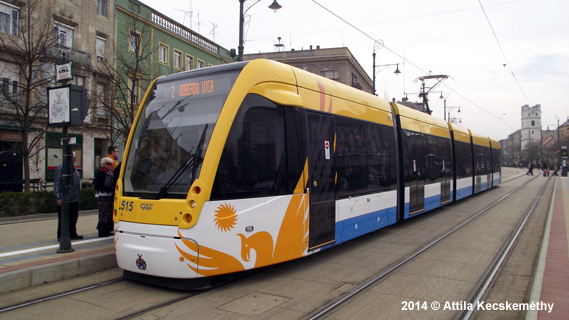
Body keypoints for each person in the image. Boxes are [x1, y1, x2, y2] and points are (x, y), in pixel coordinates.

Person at [54, 151, 83, 241]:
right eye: (74, 158)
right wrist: (59, 197)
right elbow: (58, 183)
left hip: (74, 197)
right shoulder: (62, 168)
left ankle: (72, 233)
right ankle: (61, 235)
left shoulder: (73, 168)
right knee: (64, 217)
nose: (75, 160)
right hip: (66, 197)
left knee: (73, 216)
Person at [95, 157, 115, 237]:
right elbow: (99, 185)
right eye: (108, 164)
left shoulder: (110, 172)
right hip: (103, 195)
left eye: (110, 164)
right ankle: (102, 231)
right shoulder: (102, 173)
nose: (109, 165)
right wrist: (109, 189)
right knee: (103, 213)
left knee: (108, 213)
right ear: (103, 164)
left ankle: (107, 229)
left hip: (109, 195)